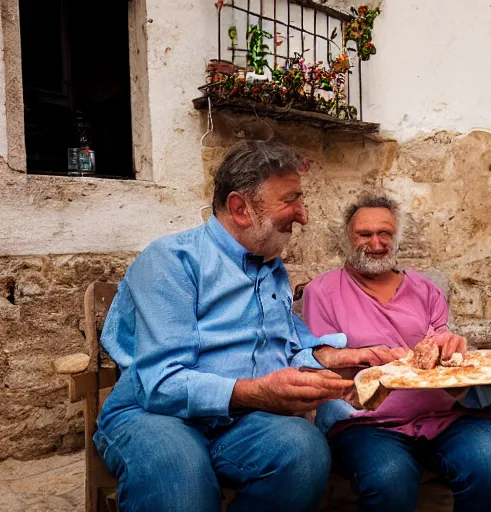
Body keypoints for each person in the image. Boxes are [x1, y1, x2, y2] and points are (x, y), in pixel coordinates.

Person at [93, 140, 369, 512]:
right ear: (240, 208)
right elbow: (161, 384)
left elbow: (288, 343)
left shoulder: (270, 267)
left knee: (303, 451)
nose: (303, 215)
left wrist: (333, 357)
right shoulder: (172, 260)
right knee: (181, 476)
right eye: (290, 200)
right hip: (153, 414)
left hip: (237, 420)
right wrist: (258, 391)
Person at [302, 194, 491, 512]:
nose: (376, 243)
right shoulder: (323, 292)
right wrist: (362, 358)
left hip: (447, 415)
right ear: (346, 239)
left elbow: (443, 354)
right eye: (365, 234)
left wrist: (451, 350)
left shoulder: (425, 289)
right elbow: (318, 359)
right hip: (368, 423)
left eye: (385, 234)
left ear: (397, 239)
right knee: (389, 482)